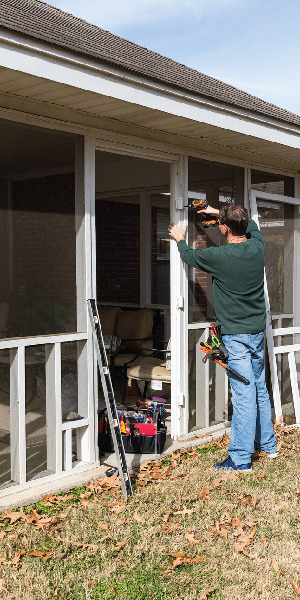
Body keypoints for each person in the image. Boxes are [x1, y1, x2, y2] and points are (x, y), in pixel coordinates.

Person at [168, 203, 277, 472]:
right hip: (256, 332)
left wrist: (180, 238)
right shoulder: (257, 247)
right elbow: (251, 225)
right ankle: (268, 446)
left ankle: (240, 459)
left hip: (236, 336)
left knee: (243, 395)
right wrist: (220, 214)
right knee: (259, 389)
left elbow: (190, 256)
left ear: (225, 228)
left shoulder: (219, 256)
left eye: (221, 223)